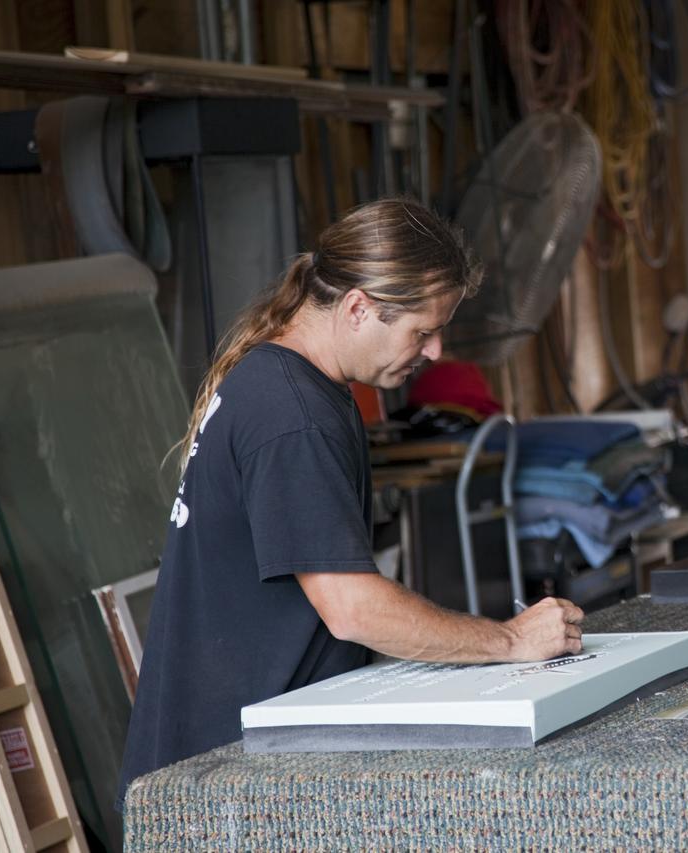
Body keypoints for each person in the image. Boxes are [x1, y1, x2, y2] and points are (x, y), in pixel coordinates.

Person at [118, 199, 584, 804]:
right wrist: (510, 642)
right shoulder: (292, 413)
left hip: (247, 755)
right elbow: (352, 608)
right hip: (221, 779)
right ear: (359, 307)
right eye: (423, 330)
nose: (437, 351)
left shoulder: (292, 384)